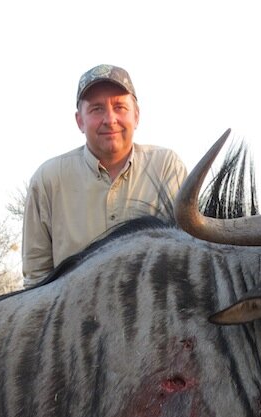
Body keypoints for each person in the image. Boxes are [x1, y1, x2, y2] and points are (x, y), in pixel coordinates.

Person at [21, 64, 187, 287]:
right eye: (97, 109)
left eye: (120, 107)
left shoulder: (167, 166)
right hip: (73, 316)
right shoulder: (48, 180)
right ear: (80, 121)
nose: (110, 119)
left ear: (136, 116)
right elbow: (36, 279)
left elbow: (189, 257)